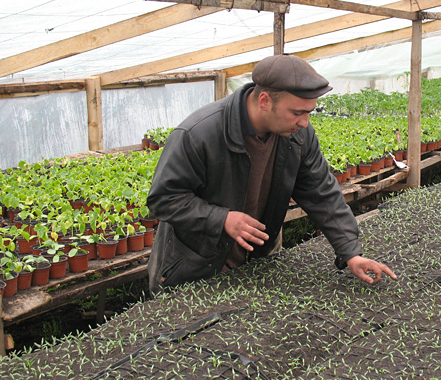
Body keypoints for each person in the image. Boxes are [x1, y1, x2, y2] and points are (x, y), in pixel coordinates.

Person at [146, 54, 397, 294]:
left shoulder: (298, 136)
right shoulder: (199, 133)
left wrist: (350, 253)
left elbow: (320, 192)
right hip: (195, 267)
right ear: (264, 101)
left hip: (252, 266)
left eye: (309, 113)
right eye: (297, 112)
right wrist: (221, 219)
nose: (305, 123)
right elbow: (164, 199)